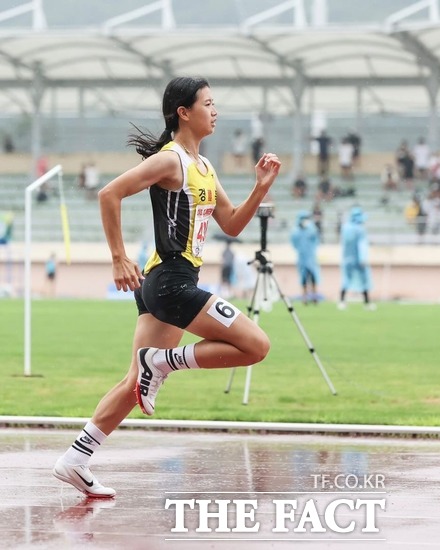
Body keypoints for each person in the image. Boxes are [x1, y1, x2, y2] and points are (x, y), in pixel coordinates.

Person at [52, 76, 281, 498]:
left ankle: (75, 459)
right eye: (208, 104)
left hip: (168, 282)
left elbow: (230, 224)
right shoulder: (170, 160)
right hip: (171, 282)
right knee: (255, 346)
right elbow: (109, 193)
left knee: (132, 380)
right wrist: (119, 257)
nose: (215, 111)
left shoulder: (204, 167)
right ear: (184, 112)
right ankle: (163, 362)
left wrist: (259, 189)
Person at [338, 206, 375, 310]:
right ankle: (367, 303)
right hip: (358, 259)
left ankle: (342, 301)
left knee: (346, 280)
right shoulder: (360, 230)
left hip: (346, 259)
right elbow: (362, 245)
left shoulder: (345, 228)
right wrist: (363, 258)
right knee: (364, 281)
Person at [290, 211, 321, 304]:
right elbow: (294, 244)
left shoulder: (312, 229)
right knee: (303, 279)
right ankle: (304, 297)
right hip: (302, 258)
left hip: (311, 258)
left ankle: (314, 296)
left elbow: (316, 241)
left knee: (313, 278)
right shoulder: (296, 231)